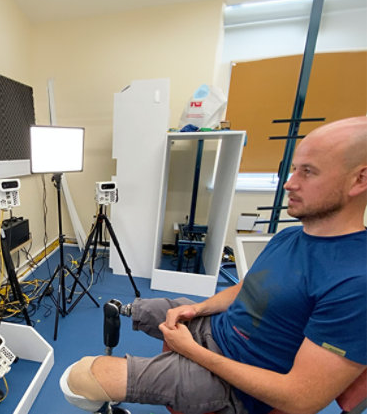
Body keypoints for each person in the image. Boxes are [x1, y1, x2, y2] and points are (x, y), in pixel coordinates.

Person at [60, 117, 367, 414]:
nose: (289, 183)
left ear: (359, 180)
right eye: (294, 169)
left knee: (79, 378)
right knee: (136, 308)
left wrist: (192, 352)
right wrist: (199, 309)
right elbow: (248, 288)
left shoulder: (355, 281)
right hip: (215, 329)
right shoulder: (289, 236)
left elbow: (301, 400)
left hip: (236, 385)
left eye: (308, 172)